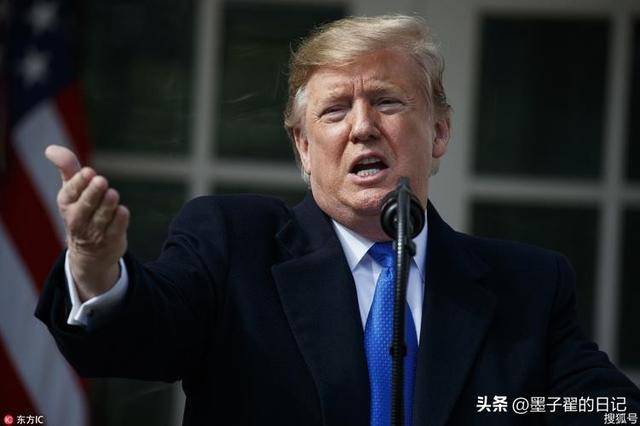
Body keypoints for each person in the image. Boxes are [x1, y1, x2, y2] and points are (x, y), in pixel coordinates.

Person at [37, 15, 639, 426]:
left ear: (439, 132)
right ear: (304, 148)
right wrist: (95, 268)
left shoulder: (527, 286)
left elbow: (609, 410)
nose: (362, 126)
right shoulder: (234, 244)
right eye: (334, 111)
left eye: (387, 101)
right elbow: (140, 339)